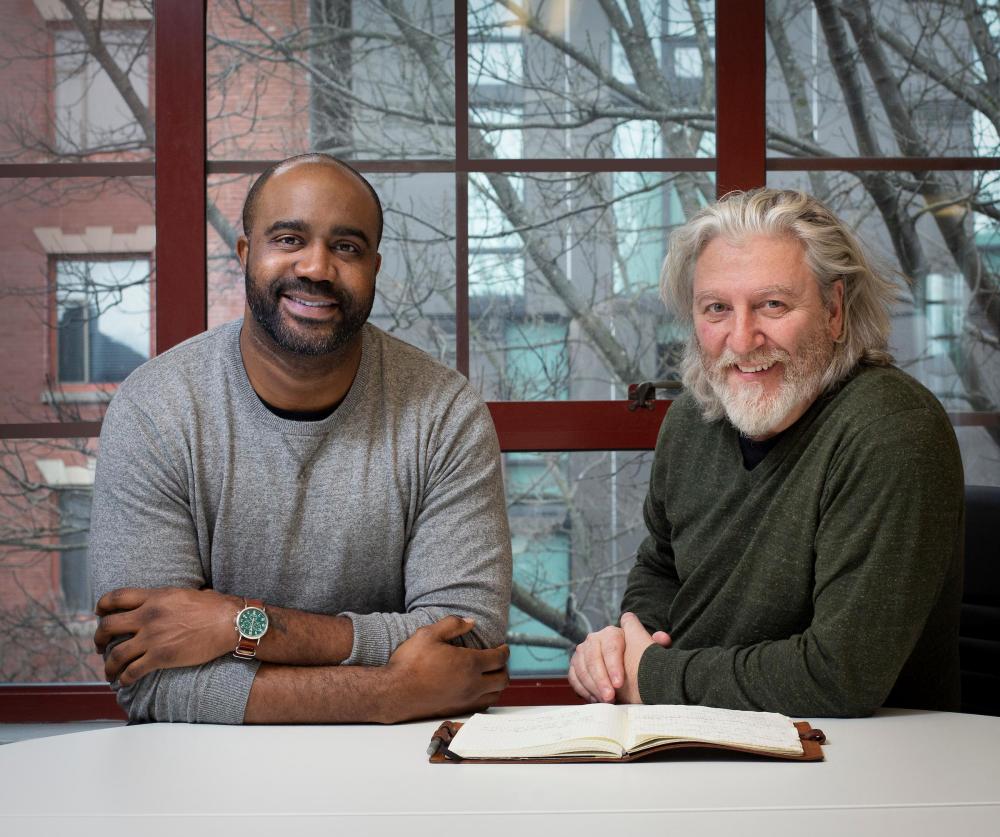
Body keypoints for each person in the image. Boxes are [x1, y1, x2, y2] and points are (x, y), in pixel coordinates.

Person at [89, 153, 512, 724]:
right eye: (289, 239)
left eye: (347, 247)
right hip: (207, 775)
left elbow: (467, 648)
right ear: (246, 254)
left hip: (405, 772)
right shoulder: (156, 408)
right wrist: (387, 693)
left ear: (375, 268)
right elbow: (148, 678)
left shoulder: (443, 412)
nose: (316, 267)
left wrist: (235, 623)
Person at [569, 188, 964, 717]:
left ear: (834, 310)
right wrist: (621, 655)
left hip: (860, 762)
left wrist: (656, 677)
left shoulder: (892, 429)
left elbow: (839, 676)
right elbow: (661, 570)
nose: (741, 338)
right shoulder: (691, 418)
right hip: (702, 733)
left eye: (772, 304)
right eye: (716, 309)